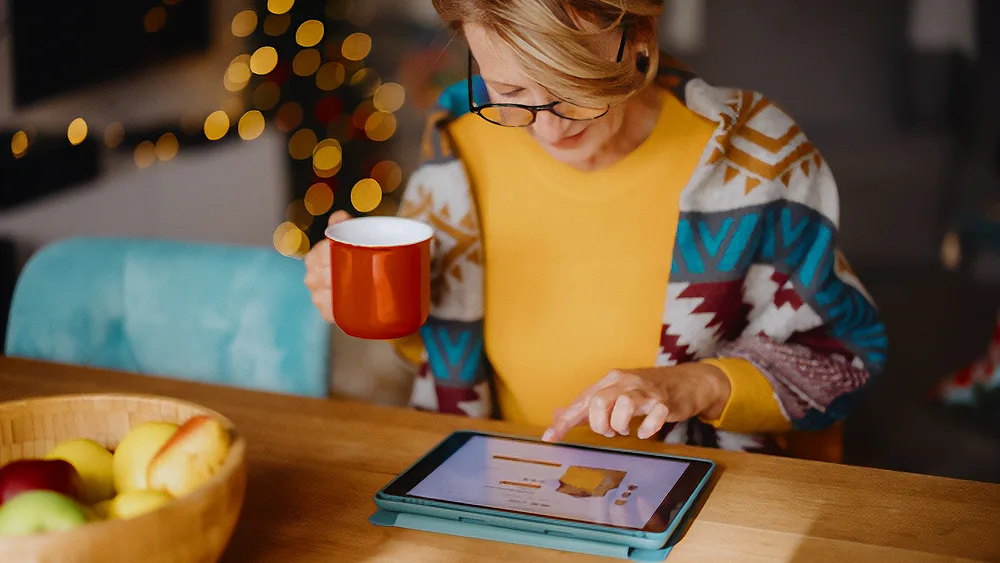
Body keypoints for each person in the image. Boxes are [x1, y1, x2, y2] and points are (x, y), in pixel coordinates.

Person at [305, 0, 887, 460]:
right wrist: (368, 295)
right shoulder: (458, 145)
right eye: (509, 93)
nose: (548, 132)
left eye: (573, 90)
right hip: (492, 487)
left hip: (704, 501)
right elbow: (437, 346)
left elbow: (841, 360)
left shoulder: (755, 158)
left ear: (639, 32)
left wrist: (692, 385)